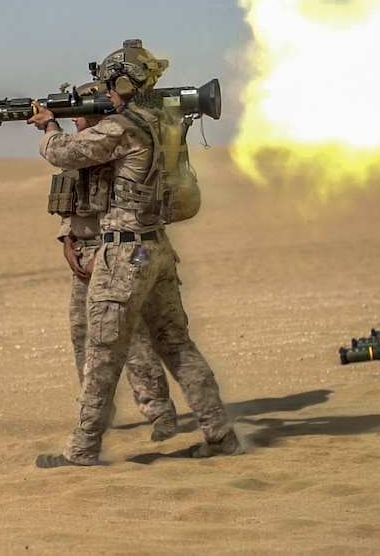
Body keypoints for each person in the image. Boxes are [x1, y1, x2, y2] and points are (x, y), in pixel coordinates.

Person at [28, 39, 242, 468]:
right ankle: (220, 436)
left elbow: (64, 154)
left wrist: (50, 124)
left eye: (110, 85)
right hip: (154, 248)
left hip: (125, 254)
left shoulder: (124, 126)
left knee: (103, 351)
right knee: (177, 346)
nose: (106, 93)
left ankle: (83, 450)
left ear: (122, 85)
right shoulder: (162, 120)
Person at [53, 112, 178, 443]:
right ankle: (96, 415)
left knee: (131, 339)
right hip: (82, 255)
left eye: (78, 115)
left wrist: (101, 257)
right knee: (82, 335)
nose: (74, 120)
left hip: (113, 256)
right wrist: (68, 242)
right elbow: (69, 206)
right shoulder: (78, 156)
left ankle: (160, 411)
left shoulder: (115, 156)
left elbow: (122, 216)